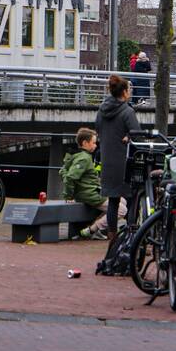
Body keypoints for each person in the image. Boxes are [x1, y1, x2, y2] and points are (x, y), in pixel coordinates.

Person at [61, 127, 127, 240]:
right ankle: (92, 229)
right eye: (94, 143)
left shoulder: (80, 155)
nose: (96, 145)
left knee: (122, 201)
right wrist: (68, 196)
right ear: (85, 143)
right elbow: (70, 177)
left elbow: (63, 171)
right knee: (122, 210)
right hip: (89, 194)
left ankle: (96, 227)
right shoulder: (84, 159)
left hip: (91, 190)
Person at [94, 74, 139, 237]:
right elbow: (137, 134)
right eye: (129, 90)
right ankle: (132, 234)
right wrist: (128, 136)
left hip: (107, 159)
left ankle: (112, 235)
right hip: (125, 161)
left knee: (113, 200)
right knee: (133, 198)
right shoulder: (127, 111)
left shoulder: (102, 110)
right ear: (125, 92)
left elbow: (98, 129)